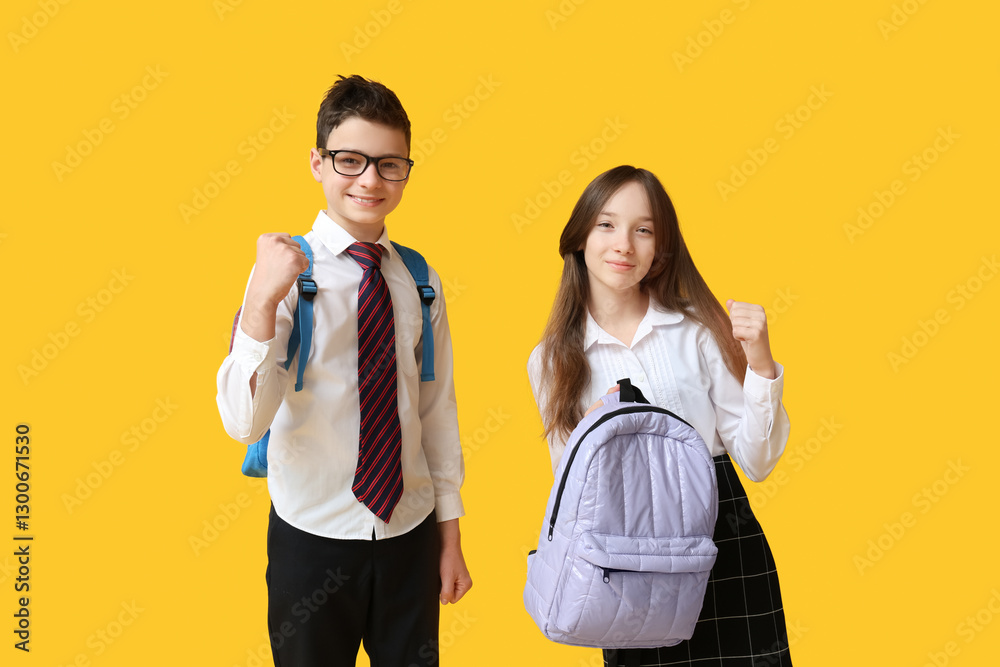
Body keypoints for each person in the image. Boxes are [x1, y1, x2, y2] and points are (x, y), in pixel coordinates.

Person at [217, 75, 471, 666]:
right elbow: (242, 423)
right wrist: (258, 303)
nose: (370, 180)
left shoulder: (419, 280)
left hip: (409, 531)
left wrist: (450, 535)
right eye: (350, 160)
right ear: (317, 162)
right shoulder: (283, 275)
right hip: (311, 535)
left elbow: (436, 411)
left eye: (389, 165)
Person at [527, 165, 792, 666]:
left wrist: (761, 364)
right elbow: (570, 490)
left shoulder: (698, 331)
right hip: (623, 556)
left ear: (660, 250)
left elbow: (757, 462)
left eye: (642, 229)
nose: (623, 243)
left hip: (722, 536)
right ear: (579, 237)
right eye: (606, 224)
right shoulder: (550, 361)